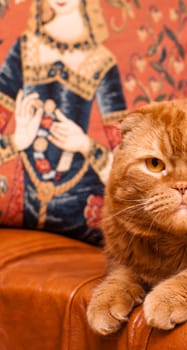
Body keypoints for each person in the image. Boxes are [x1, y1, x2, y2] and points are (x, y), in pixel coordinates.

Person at [0, 0, 126, 244]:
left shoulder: (102, 61)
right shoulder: (25, 48)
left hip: (83, 200)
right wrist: (18, 140)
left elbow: (126, 159)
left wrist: (84, 144)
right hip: (25, 191)